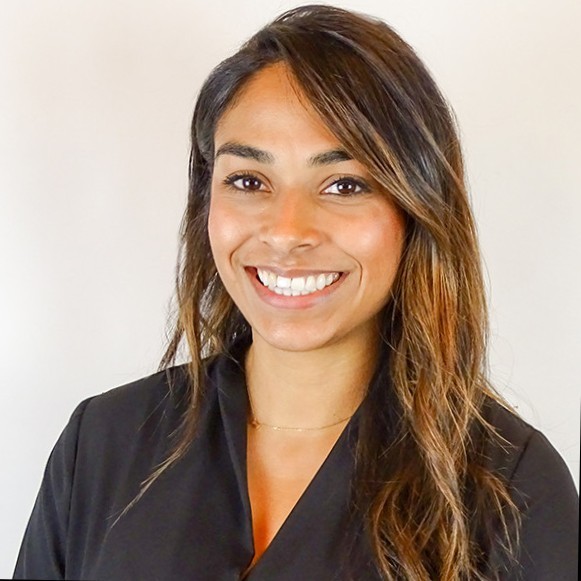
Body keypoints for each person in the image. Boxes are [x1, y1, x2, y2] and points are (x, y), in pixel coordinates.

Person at [13, 4, 578, 580]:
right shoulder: (103, 443)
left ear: (416, 210)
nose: (287, 232)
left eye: (344, 184)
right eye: (249, 181)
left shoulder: (510, 489)